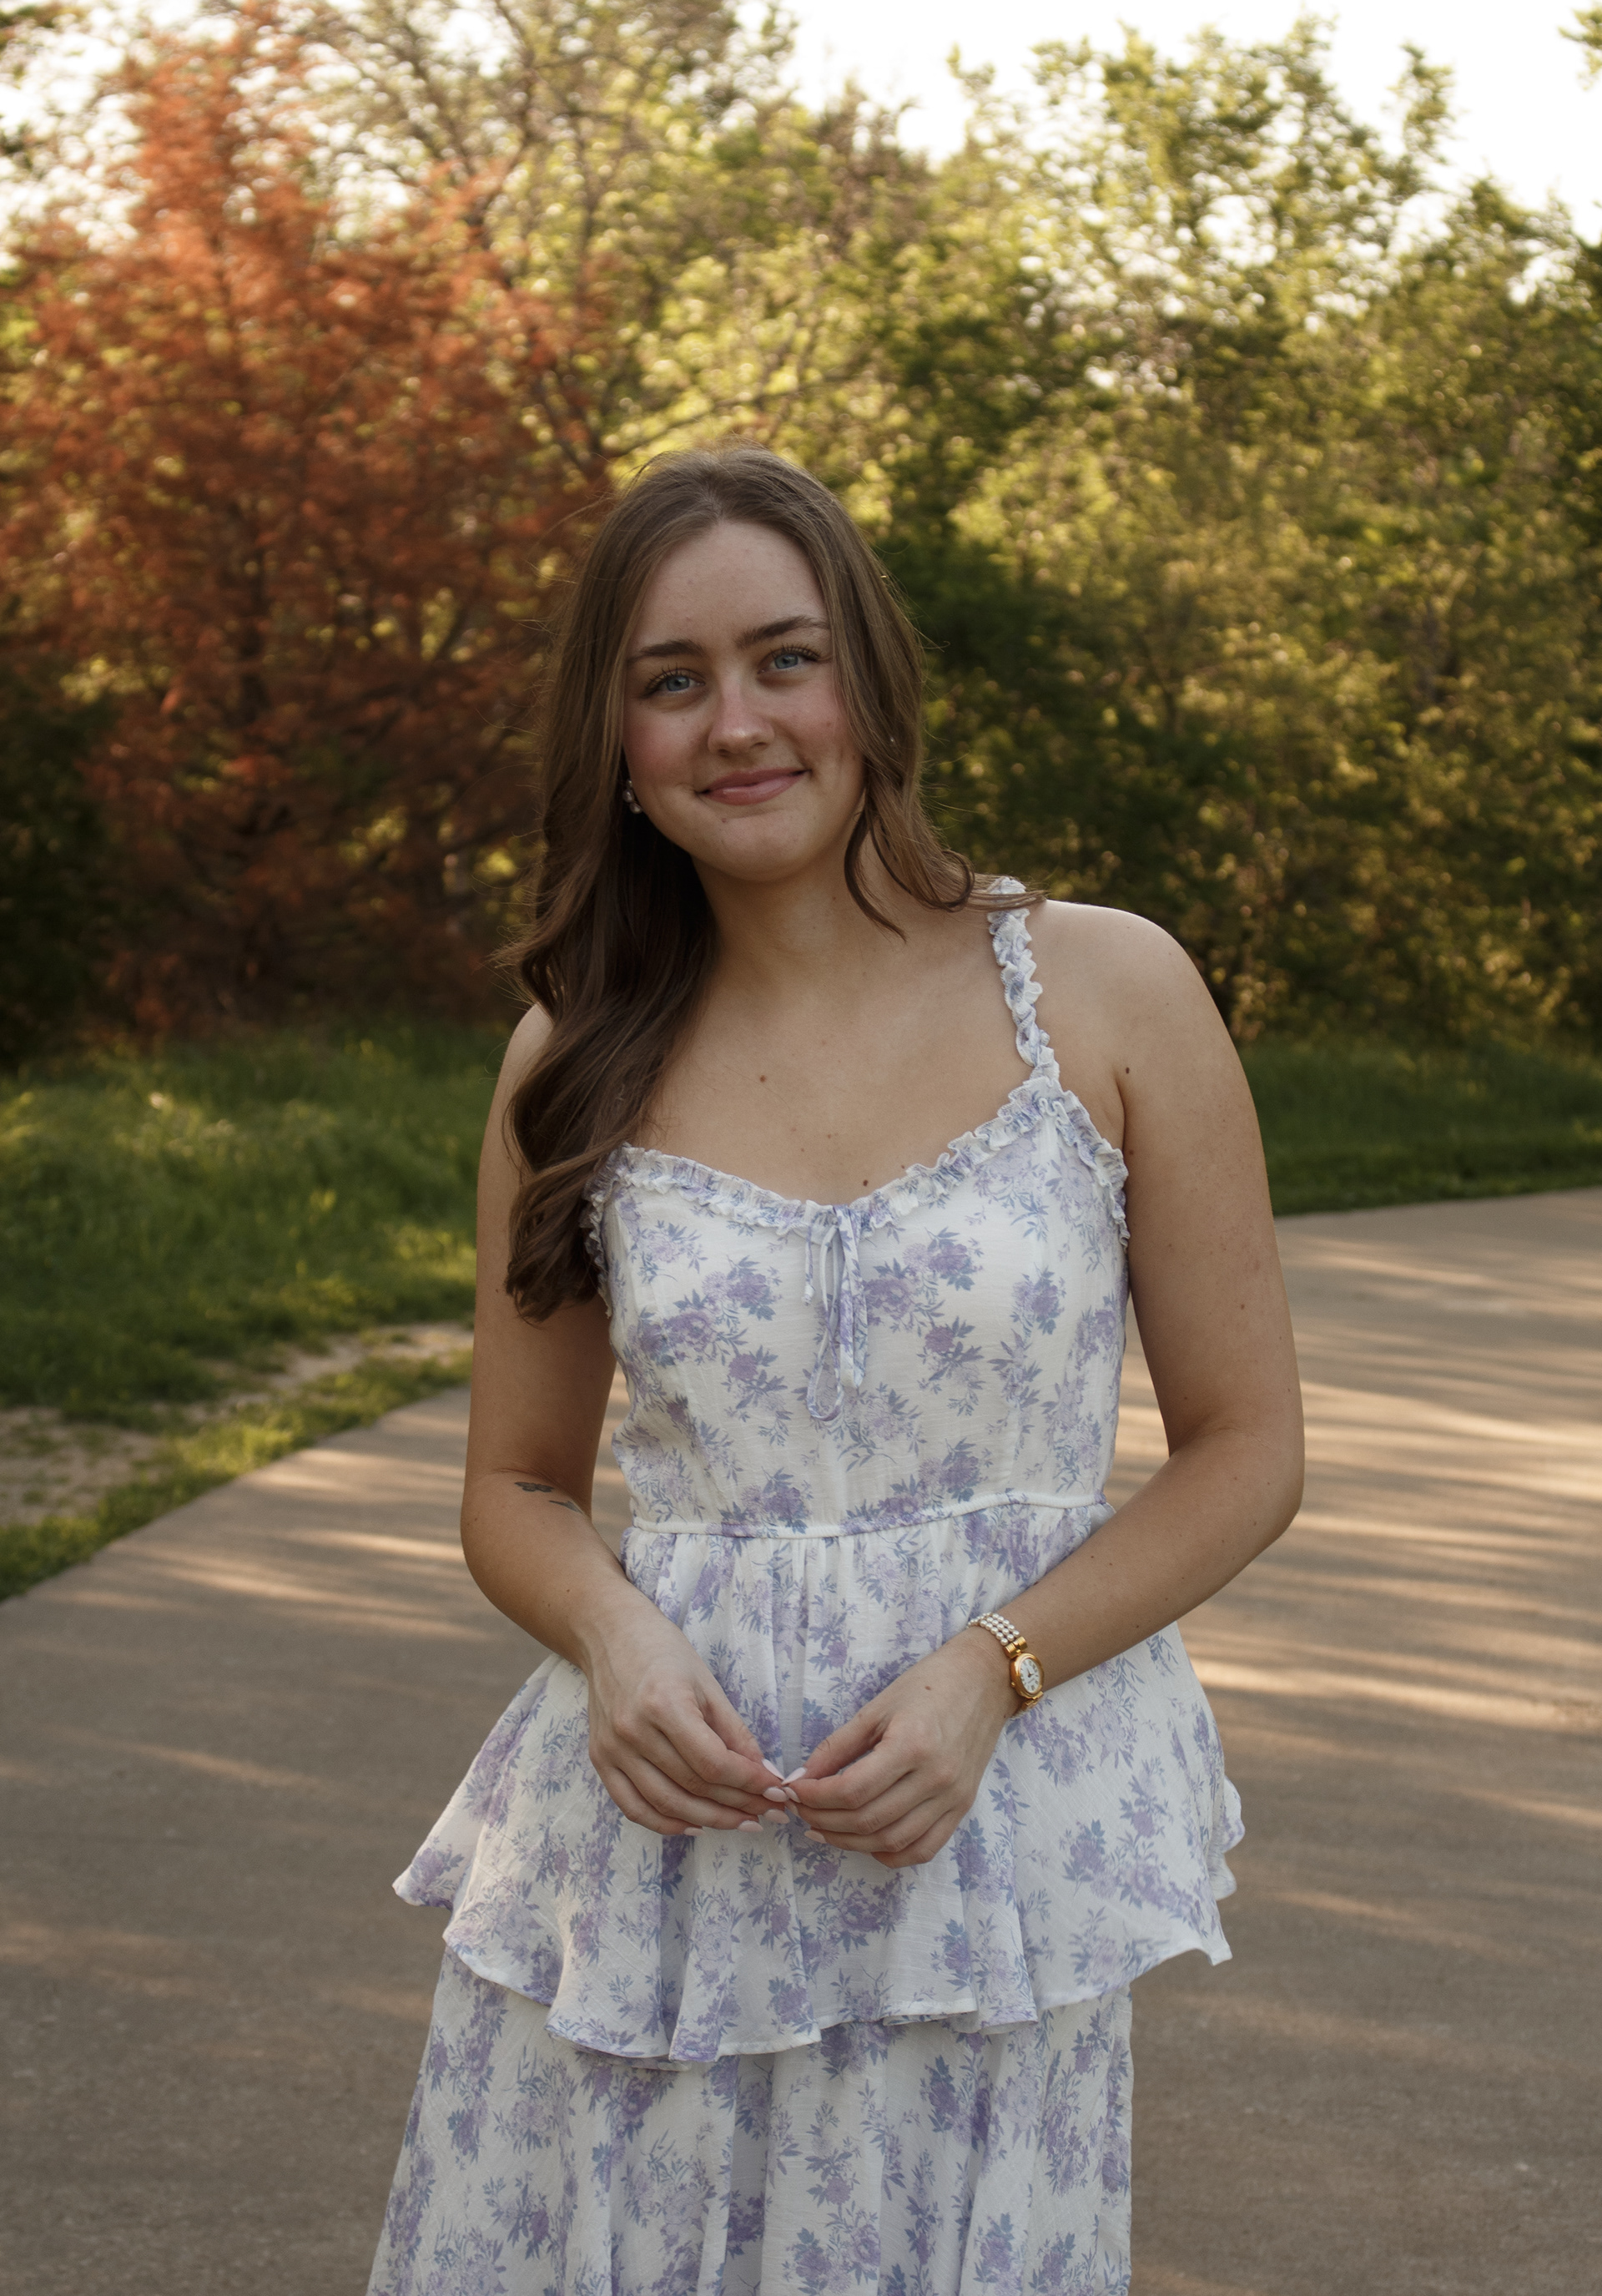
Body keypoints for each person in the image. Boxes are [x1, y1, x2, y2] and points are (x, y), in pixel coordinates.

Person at [366, 444, 1303, 2295]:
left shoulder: (1107, 992)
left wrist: (995, 1667)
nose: (739, 722)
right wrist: (616, 1636)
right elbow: (517, 1484)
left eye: (784, 659)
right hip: (655, 1870)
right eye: (673, 679)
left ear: (869, 676)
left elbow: (1247, 1447)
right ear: (619, 740)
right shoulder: (575, 1053)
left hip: (982, 1848)